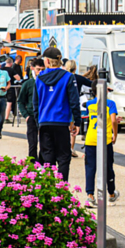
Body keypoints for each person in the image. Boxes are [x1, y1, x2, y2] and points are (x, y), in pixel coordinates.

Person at [36, 47, 81, 182]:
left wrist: (38, 122)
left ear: (48, 61)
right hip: (61, 122)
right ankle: (62, 187)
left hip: (44, 121)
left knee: (47, 157)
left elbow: (35, 103)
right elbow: (74, 101)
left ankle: (49, 188)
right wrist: (77, 122)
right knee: (63, 157)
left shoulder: (39, 78)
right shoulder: (68, 77)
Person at [84, 87, 120, 207]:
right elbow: (113, 121)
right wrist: (115, 133)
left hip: (91, 139)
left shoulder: (89, 104)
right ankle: (111, 194)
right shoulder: (110, 103)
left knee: (90, 167)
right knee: (108, 167)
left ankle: (90, 195)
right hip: (105, 139)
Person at [17, 57, 44, 161]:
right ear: (33, 69)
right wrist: (26, 115)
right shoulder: (28, 84)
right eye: (38, 69)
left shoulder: (47, 83)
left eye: (42, 69)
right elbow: (20, 101)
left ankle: (43, 163)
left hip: (43, 116)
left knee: (44, 142)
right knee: (32, 143)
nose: (40, 72)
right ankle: (32, 164)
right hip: (31, 116)